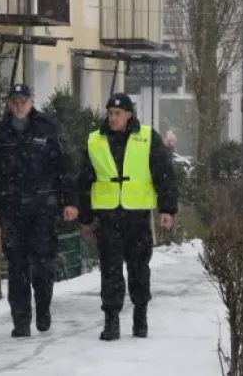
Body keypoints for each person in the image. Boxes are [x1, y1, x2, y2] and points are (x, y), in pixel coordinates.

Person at [0, 83, 78, 338]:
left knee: (43, 266)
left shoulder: (48, 127)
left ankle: (43, 309)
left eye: (23, 101)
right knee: (17, 267)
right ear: (8, 103)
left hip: (43, 208)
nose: (19, 105)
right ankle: (21, 321)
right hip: (12, 209)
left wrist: (70, 202)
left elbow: (65, 166)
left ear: (32, 102)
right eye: (14, 101)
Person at [79, 92, 178, 341]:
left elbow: (163, 173)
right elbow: (83, 181)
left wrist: (167, 209)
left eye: (118, 114)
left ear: (129, 115)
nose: (113, 118)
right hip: (108, 215)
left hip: (137, 215)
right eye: (110, 113)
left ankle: (140, 316)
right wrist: (86, 218)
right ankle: (111, 320)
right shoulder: (95, 140)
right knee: (110, 269)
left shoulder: (147, 137)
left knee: (139, 268)